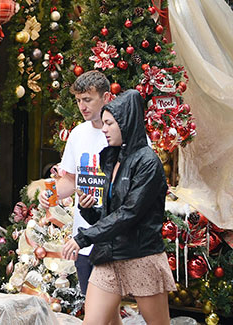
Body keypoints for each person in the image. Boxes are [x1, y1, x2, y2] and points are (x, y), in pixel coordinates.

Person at [61, 90, 175, 325]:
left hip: (141, 256)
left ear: (126, 123)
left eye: (109, 123)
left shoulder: (148, 162)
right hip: (108, 255)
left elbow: (129, 214)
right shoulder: (113, 158)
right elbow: (112, 213)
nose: (103, 129)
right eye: (103, 123)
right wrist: (89, 210)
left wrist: (83, 238)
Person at [39, 71, 115, 305]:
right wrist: (49, 195)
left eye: (88, 100)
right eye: (79, 100)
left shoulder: (120, 133)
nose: (82, 106)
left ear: (106, 98)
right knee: (98, 310)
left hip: (113, 238)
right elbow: (71, 180)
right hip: (83, 239)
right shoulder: (78, 134)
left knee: (100, 310)